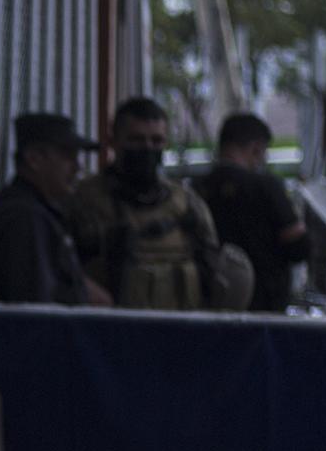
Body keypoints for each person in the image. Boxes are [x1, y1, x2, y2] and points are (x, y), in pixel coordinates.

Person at [66, 97, 249, 310]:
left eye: (156, 141)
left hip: (181, 332)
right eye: (136, 140)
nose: (147, 149)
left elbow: (212, 270)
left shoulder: (187, 204)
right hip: (112, 332)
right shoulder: (84, 200)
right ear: (114, 140)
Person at [0, 112, 109, 305]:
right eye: (68, 156)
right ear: (34, 159)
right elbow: (36, 310)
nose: (77, 167)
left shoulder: (34, 211)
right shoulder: (24, 218)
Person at [193, 111, 308, 314]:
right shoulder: (265, 186)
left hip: (211, 303)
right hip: (264, 306)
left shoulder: (197, 188)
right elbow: (298, 246)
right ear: (256, 148)